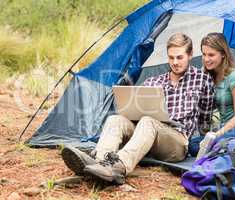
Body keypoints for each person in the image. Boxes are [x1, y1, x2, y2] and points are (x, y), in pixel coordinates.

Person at [61, 33, 214, 184]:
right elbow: (136, 113)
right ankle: (99, 164)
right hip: (145, 136)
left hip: (176, 143)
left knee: (149, 121)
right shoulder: (153, 81)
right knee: (116, 119)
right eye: (171, 57)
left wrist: (206, 144)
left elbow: (204, 120)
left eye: (179, 57)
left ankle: (118, 167)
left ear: (190, 55)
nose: (174, 62)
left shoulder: (202, 80)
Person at [189, 32, 235, 158]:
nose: (206, 59)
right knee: (192, 145)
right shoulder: (209, 76)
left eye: (211, 55)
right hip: (224, 126)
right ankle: (222, 149)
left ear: (223, 54)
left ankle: (227, 148)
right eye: (204, 54)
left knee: (214, 144)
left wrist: (218, 134)